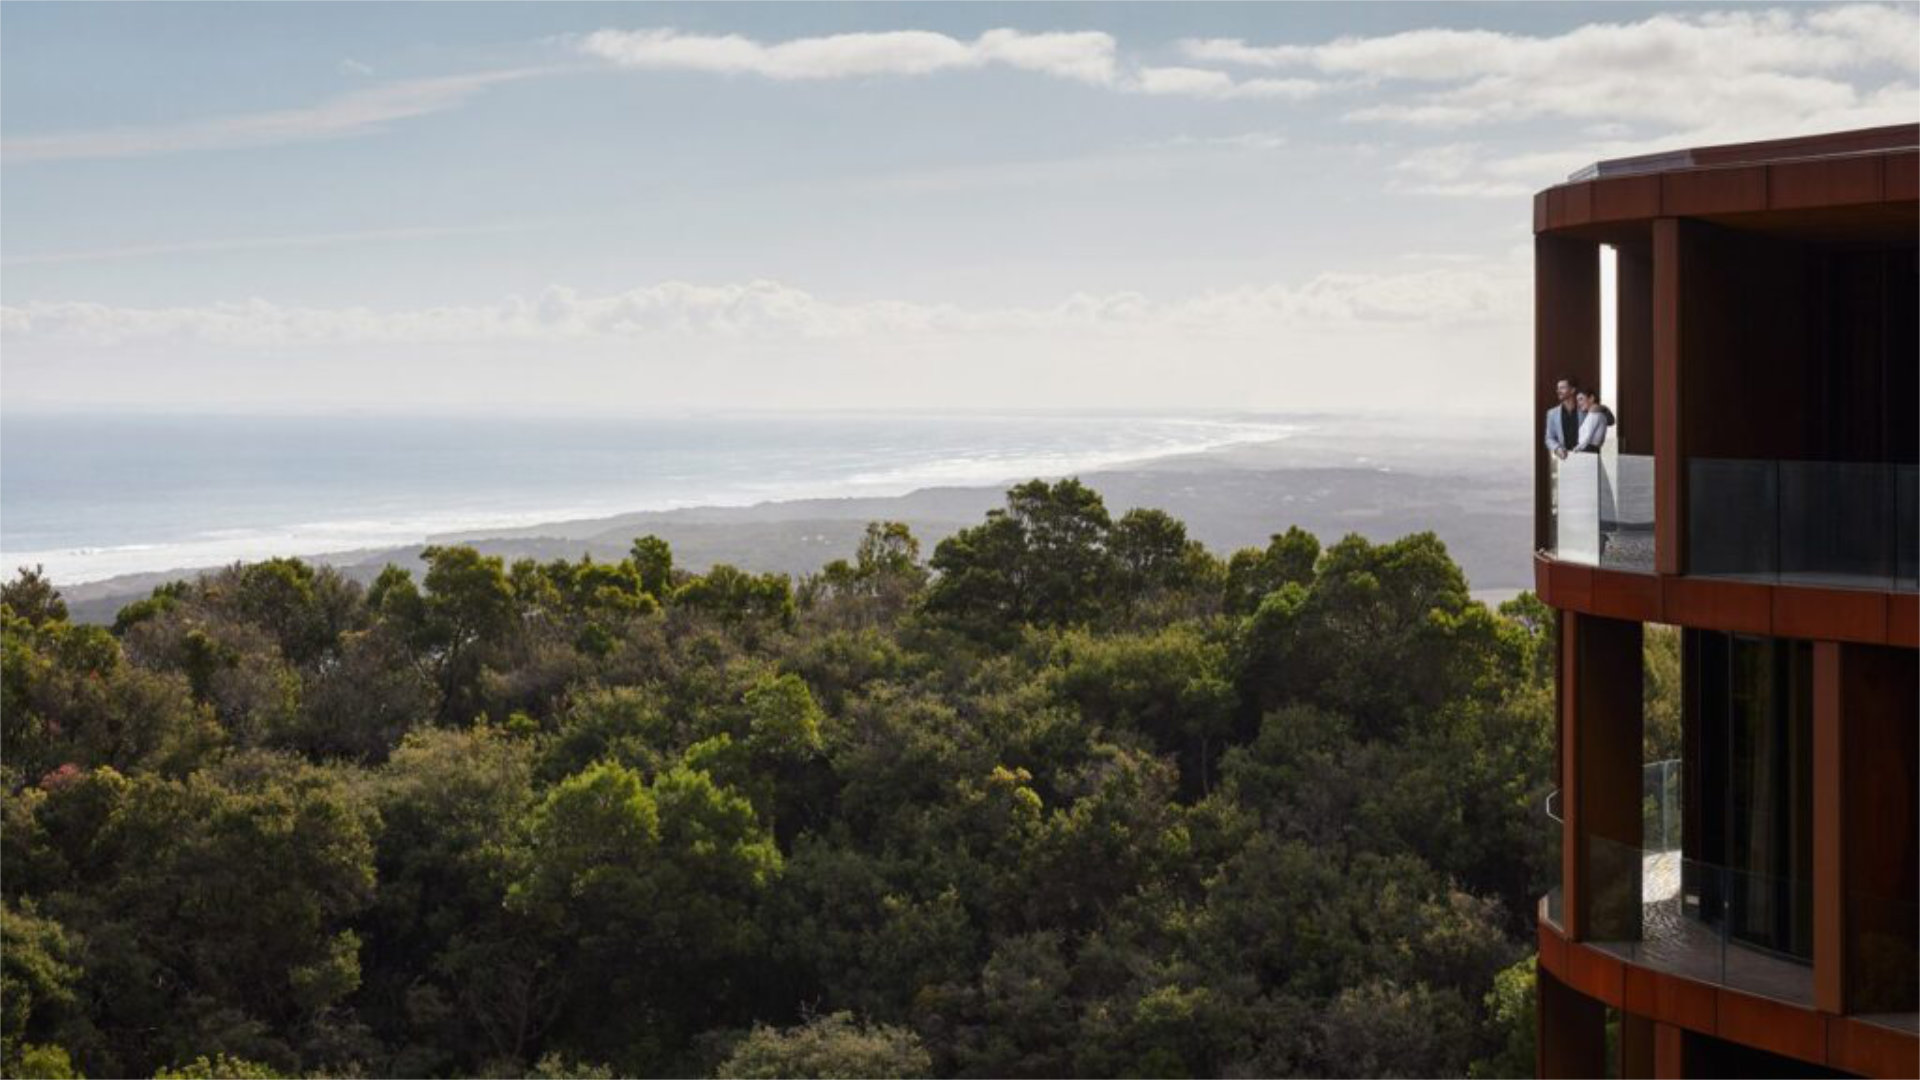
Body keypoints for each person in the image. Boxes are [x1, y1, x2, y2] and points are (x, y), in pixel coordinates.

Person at [1544, 377, 1582, 460]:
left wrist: (1598, 408)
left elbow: (1610, 420)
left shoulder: (1584, 410)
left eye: (1562, 388)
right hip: (1564, 458)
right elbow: (1549, 438)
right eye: (1558, 388)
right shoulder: (1552, 413)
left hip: (1584, 457)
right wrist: (1557, 448)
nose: (1558, 391)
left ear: (1572, 390)